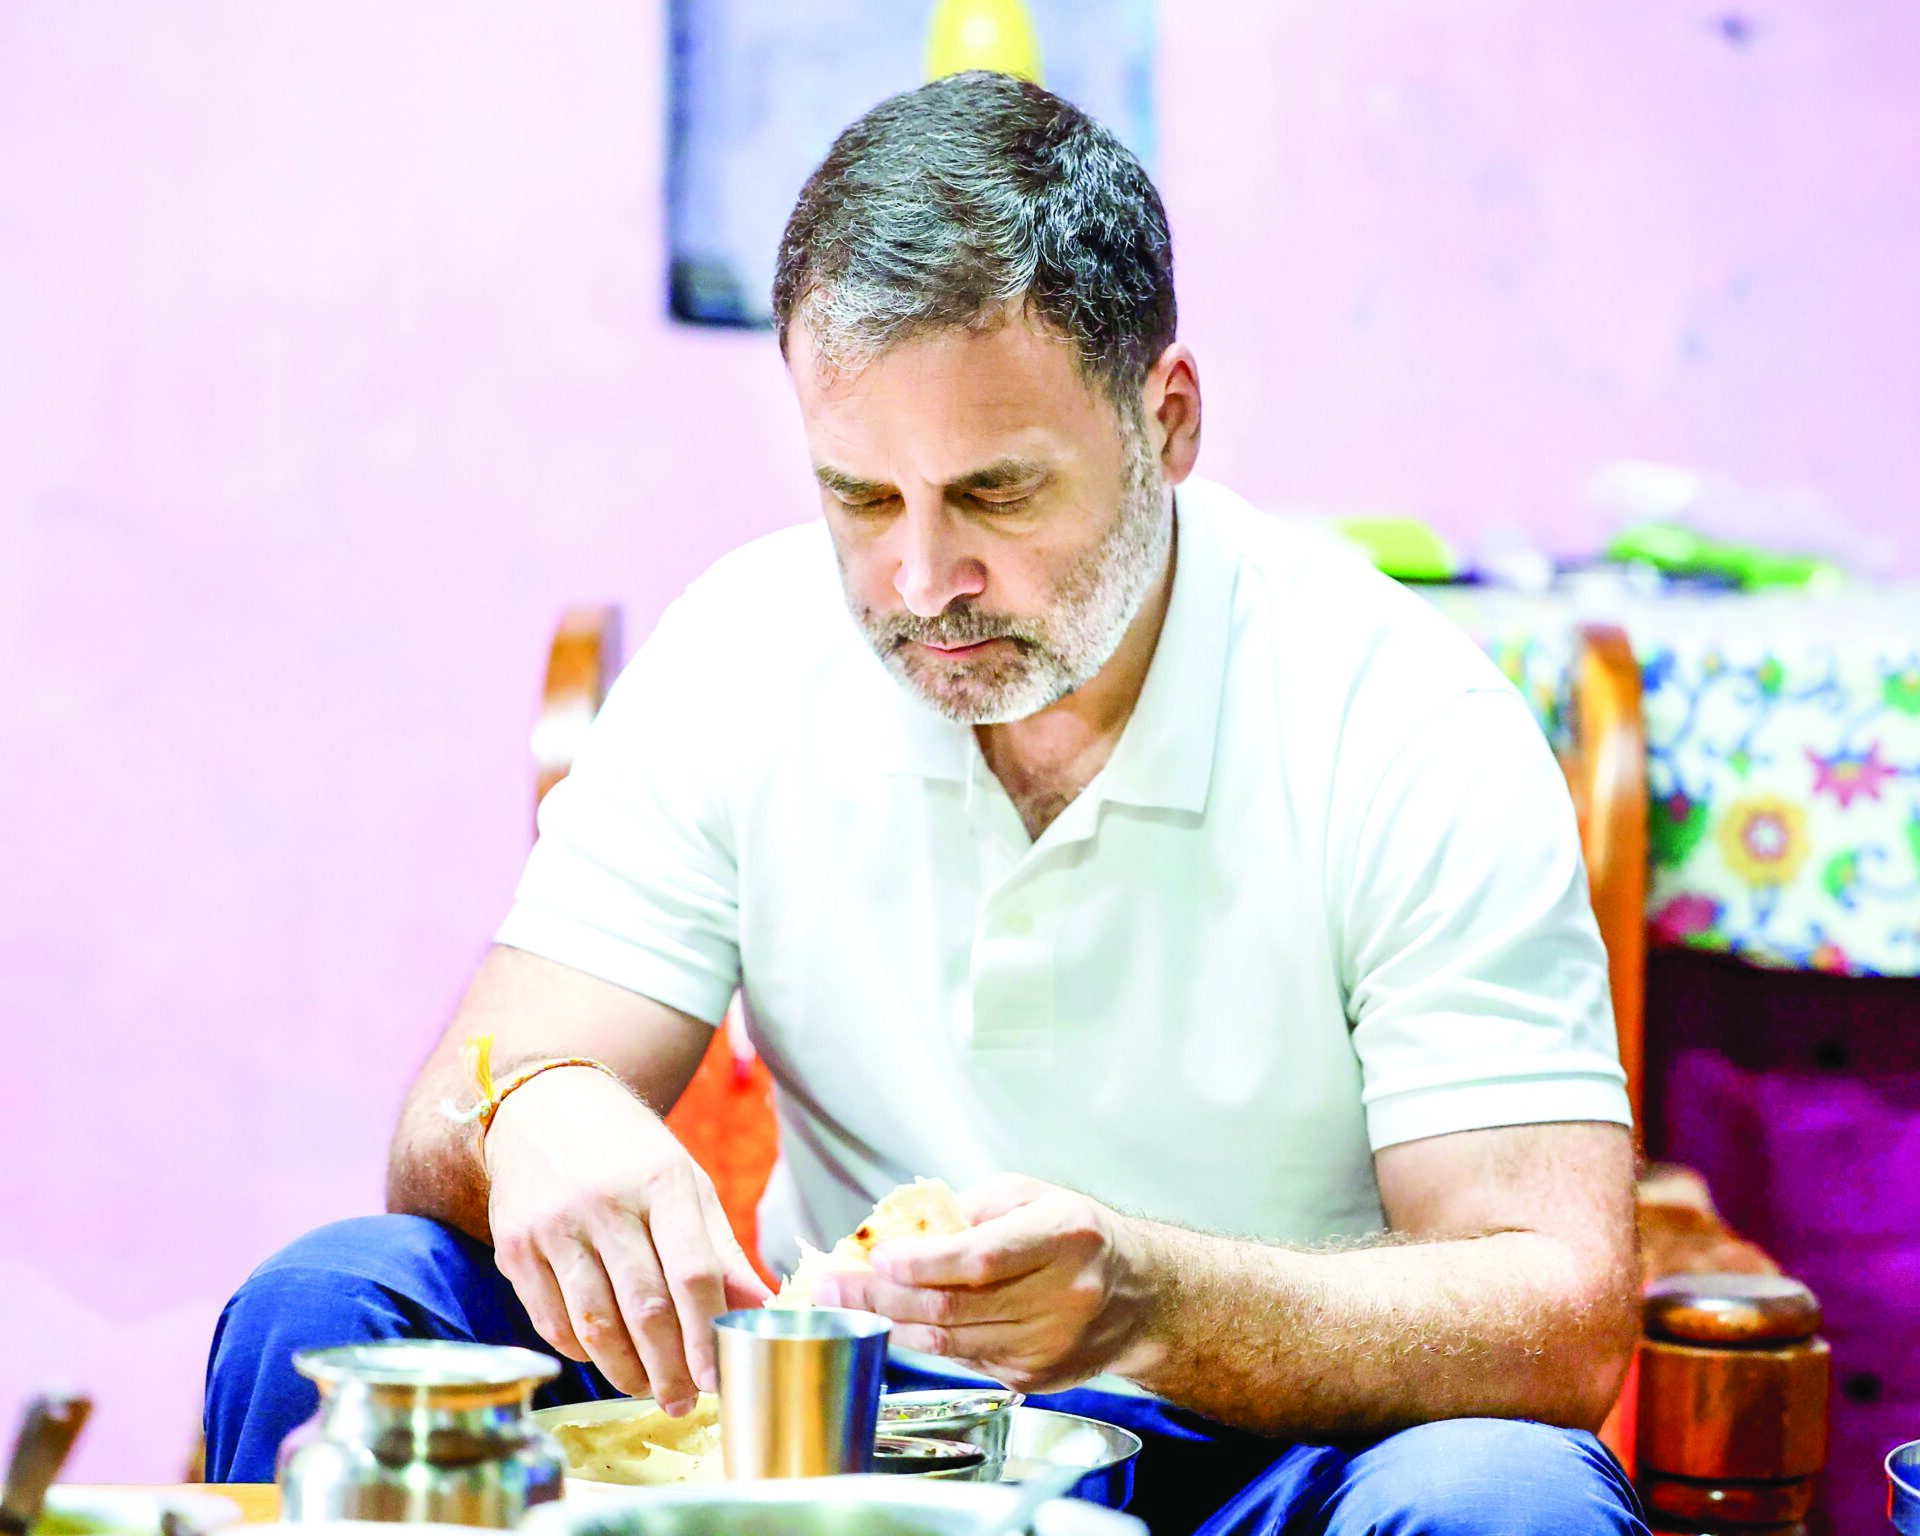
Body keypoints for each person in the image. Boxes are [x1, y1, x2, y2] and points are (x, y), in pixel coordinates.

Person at [205, 71, 1646, 1535]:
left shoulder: (1401, 719)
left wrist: (1149, 1303)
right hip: (822, 1445)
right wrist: (533, 1108)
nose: (921, 583)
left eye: (998, 495)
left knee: (1504, 1495)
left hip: (1256, 1459)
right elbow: (455, 1111)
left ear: (1171, 419)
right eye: (862, 498)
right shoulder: (748, 651)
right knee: (334, 1298)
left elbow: (1560, 1309)